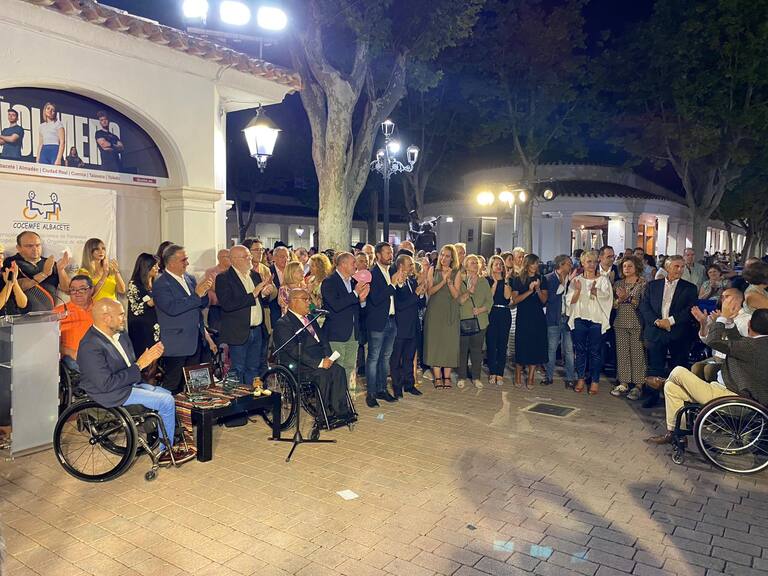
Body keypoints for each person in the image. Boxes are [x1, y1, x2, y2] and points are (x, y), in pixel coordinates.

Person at [77, 299, 195, 463]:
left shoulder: (121, 335)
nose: (124, 318)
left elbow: (130, 366)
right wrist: (140, 365)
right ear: (106, 318)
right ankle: (165, 452)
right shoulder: (90, 346)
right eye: (121, 315)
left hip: (126, 384)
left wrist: (148, 361)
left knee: (168, 393)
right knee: (166, 401)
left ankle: (161, 434)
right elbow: (106, 384)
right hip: (109, 393)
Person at [645, 304, 768, 446]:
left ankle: (663, 382)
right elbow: (738, 342)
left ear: (749, 324)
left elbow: (713, 341)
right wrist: (729, 322)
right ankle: (676, 434)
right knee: (672, 388)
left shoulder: (751, 346)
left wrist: (722, 319)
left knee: (678, 371)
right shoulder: (759, 344)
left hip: (732, 398)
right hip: (733, 394)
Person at [273, 288, 354, 422]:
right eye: (305, 300)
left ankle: (340, 410)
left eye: (309, 299)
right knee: (322, 374)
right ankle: (325, 414)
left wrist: (328, 357)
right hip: (300, 364)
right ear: (293, 301)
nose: (309, 303)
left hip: (320, 359)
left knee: (338, 370)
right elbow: (293, 350)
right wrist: (319, 363)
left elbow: (323, 341)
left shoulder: (311, 318)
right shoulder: (284, 323)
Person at [639, 255, 698, 408]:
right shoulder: (652, 286)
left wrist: (670, 321)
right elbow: (644, 306)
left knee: (678, 366)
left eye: (682, 266)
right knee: (655, 366)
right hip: (656, 331)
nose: (680, 269)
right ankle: (652, 396)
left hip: (678, 332)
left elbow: (689, 310)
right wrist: (657, 321)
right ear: (667, 267)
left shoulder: (690, 288)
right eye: (676, 266)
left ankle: (677, 398)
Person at [153, 244, 213, 394]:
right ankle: (168, 409)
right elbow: (172, 308)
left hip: (195, 340)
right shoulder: (161, 283)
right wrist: (197, 295)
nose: (187, 263)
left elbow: (201, 304)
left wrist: (204, 292)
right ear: (171, 262)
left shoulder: (190, 278)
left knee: (196, 385)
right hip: (176, 343)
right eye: (183, 260)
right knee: (173, 384)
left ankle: (192, 409)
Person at [216, 245, 274, 387]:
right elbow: (228, 304)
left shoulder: (255, 275)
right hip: (238, 331)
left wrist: (264, 294)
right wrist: (253, 294)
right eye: (246, 256)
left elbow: (260, 300)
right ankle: (238, 399)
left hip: (257, 329)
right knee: (238, 369)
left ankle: (251, 398)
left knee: (254, 369)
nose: (250, 259)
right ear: (234, 259)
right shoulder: (224, 278)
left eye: (249, 255)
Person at [566, 250, 613, 395]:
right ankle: (580, 378)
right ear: (582, 263)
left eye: (594, 262)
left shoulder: (603, 280)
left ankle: (594, 381)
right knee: (580, 351)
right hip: (580, 319)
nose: (592, 265)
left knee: (595, 352)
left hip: (596, 320)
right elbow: (569, 302)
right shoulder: (576, 280)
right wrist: (577, 291)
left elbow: (609, 299)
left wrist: (596, 292)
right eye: (589, 262)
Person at [321, 252, 369, 393]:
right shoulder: (329, 282)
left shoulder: (353, 282)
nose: (356, 266)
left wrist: (362, 301)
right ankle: (334, 400)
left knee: (349, 366)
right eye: (353, 263)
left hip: (353, 332)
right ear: (343, 264)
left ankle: (344, 397)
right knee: (337, 367)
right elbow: (336, 305)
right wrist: (355, 294)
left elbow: (357, 309)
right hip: (337, 333)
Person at [365, 242, 404, 405]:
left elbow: (396, 296)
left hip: (392, 320)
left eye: (391, 252)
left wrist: (399, 284)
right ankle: (371, 394)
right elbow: (375, 299)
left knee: (385, 358)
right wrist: (393, 284)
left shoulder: (391, 271)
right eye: (387, 253)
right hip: (378, 322)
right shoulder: (372, 274)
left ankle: (382, 389)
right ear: (378, 255)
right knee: (373, 358)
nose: (390, 256)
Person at [423, 245, 462, 388]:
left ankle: (447, 376)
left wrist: (449, 282)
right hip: (435, 311)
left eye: (447, 256)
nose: (444, 258)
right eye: (442, 255)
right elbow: (429, 292)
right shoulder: (433, 270)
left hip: (450, 311)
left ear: (452, 258)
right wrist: (443, 282)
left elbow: (456, 295)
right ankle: (437, 377)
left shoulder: (456, 272)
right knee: (435, 342)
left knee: (448, 343)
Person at [3, 231, 70, 311]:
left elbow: (67, 290)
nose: (35, 249)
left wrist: (61, 270)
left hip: (48, 314)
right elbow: (17, 286)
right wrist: (44, 274)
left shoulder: (50, 263)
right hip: (21, 314)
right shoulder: (11, 262)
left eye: (38, 245)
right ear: (18, 248)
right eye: (29, 246)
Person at [510, 254, 548, 390]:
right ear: (527, 264)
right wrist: (529, 291)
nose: (535, 266)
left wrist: (537, 289)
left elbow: (544, 300)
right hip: (523, 316)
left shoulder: (542, 279)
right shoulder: (518, 280)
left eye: (537, 263)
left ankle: (531, 376)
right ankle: (518, 374)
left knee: (535, 346)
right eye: (533, 263)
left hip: (537, 317)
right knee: (522, 345)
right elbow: (515, 300)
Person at [611, 256, 647, 399]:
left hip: (637, 323)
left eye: (630, 266)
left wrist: (628, 298)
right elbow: (613, 305)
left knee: (638, 354)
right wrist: (619, 300)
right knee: (622, 354)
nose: (626, 269)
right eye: (624, 266)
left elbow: (643, 304)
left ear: (637, 267)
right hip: (620, 322)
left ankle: (638, 385)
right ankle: (623, 383)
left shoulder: (643, 283)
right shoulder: (618, 283)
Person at [390, 254, 425, 397]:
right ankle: (397, 387)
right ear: (401, 266)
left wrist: (421, 294)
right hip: (400, 326)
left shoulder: (412, 281)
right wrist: (416, 295)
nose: (412, 267)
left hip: (413, 326)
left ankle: (409, 384)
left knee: (409, 358)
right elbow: (400, 305)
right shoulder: (395, 283)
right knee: (396, 359)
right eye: (410, 264)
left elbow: (420, 304)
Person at [457, 255, 493, 389]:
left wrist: (481, 310)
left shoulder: (484, 281)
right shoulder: (460, 280)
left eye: (476, 263)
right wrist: (469, 291)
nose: (475, 265)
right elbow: (458, 301)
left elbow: (490, 301)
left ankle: (476, 377)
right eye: (472, 262)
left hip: (480, 321)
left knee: (477, 351)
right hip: (463, 320)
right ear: (466, 265)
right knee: (462, 351)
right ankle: (462, 377)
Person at [126, 253, 161, 382]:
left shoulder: (156, 284)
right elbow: (135, 308)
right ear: (146, 267)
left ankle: (153, 386)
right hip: (141, 330)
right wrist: (149, 303)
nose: (158, 268)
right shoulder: (134, 285)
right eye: (155, 266)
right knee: (146, 365)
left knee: (155, 364)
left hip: (155, 329)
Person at [543, 255, 576, 388]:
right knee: (551, 349)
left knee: (568, 350)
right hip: (553, 318)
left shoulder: (572, 279)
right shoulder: (548, 278)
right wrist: (562, 284)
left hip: (568, 318)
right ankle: (549, 376)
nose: (571, 266)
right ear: (561, 265)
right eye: (568, 264)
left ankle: (570, 378)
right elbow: (549, 299)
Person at [54, 275, 94, 372]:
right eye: (73, 290)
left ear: (91, 290)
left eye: (82, 289)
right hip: (73, 358)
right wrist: (70, 352)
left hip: (99, 354)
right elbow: (51, 343)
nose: (77, 293)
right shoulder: (58, 312)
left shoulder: (100, 309)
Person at [486, 255, 513, 386]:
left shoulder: (508, 281)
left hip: (504, 312)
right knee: (491, 343)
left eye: (500, 264)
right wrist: (495, 283)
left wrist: (505, 280)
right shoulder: (487, 280)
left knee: (502, 344)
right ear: (491, 266)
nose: (499, 266)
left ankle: (500, 373)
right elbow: (489, 297)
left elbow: (507, 297)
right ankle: (492, 372)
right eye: (496, 264)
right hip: (491, 313)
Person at [203, 249, 231, 332]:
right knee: (216, 332)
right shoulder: (211, 271)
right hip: (216, 308)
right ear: (220, 258)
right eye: (228, 257)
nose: (230, 259)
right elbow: (215, 287)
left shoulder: (234, 272)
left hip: (232, 308)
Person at [268, 245, 290, 323]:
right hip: (274, 312)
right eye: (282, 257)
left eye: (287, 257)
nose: (285, 259)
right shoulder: (269, 271)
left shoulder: (291, 271)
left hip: (291, 312)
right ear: (274, 258)